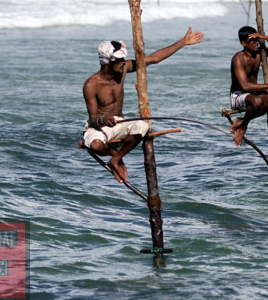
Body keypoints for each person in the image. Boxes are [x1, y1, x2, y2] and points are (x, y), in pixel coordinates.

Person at [83, 26, 203, 183]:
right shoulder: (91, 85)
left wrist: (183, 42)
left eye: (122, 59)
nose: (123, 62)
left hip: (119, 123)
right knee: (97, 146)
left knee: (143, 126)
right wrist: (104, 119)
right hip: (99, 126)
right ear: (107, 62)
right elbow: (93, 119)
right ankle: (113, 154)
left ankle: (116, 160)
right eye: (118, 60)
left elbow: (153, 59)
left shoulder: (123, 68)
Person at [229, 26, 268, 146]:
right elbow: (245, 86)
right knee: (256, 101)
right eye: (253, 41)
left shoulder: (260, 52)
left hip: (254, 94)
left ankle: (241, 121)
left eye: (258, 40)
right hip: (238, 95)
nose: (257, 43)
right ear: (244, 43)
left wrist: (266, 38)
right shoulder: (238, 58)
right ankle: (243, 128)